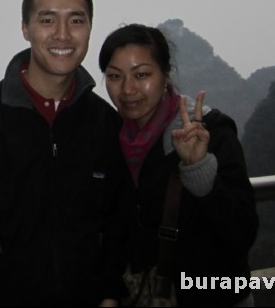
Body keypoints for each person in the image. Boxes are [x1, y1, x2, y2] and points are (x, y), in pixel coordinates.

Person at [0, 0, 130, 307]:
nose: (62, 34)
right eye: (47, 20)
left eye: (76, 20)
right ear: (25, 29)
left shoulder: (105, 123)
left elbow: (117, 222)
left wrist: (108, 292)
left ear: (90, 28)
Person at [98, 24, 258, 307]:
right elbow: (114, 229)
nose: (127, 89)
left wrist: (199, 170)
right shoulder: (112, 139)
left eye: (142, 75)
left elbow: (241, 233)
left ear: (166, 74)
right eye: (114, 76)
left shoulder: (210, 132)